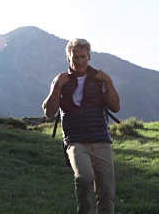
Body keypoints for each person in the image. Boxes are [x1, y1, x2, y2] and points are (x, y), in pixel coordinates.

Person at [42, 38, 121, 214]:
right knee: (84, 178)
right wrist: (56, 87)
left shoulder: (99, 79)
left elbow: (115, 107)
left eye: (83, 57)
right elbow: (49, 111)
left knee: (107, 191)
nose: (79, 61)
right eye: (75, 57)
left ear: (89, 57)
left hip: (101, 140)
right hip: (75, 141)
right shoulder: (61, 81)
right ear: (68, 58)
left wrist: (108, 82)